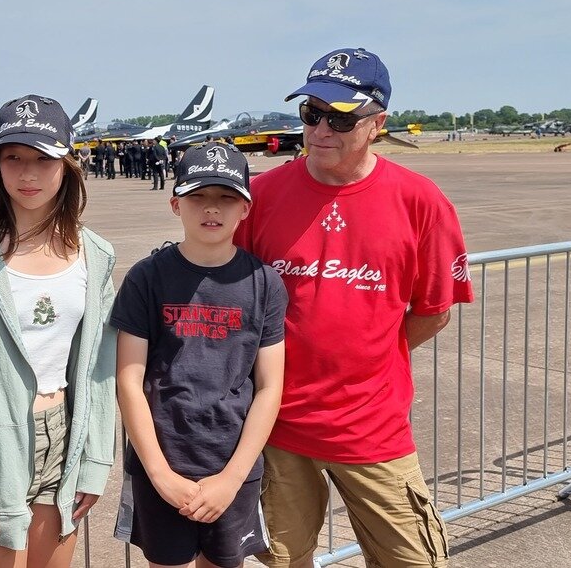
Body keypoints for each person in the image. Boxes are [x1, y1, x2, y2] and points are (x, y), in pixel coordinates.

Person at [234, 48, 474, 568]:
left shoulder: (421, 202)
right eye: (311, 113)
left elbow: (433, 310)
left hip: (371, 427)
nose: (322, 129)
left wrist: (371, 354)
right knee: (281, 560)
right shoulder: (262, 197)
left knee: (414, 560)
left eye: (341, 117)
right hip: (279, 425)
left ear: (377, 123)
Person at [0, 95, 118, 568]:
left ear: (67, 164)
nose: (28, 174)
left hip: (64, 438)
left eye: (43, 159)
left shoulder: (95, 254)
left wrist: (96, 459)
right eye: (14, 158)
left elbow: (100, 367)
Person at [114, 142, 286, 568]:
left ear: (245, 208)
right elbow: (128, 381)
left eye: (227, 198)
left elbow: (269, 386)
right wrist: (160, 475)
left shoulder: (264, 283)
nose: (212, 209)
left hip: (232, 462)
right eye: (198, 197)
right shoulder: (146, 278)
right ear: (176, 204)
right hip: (162, 460)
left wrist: (231, 478)